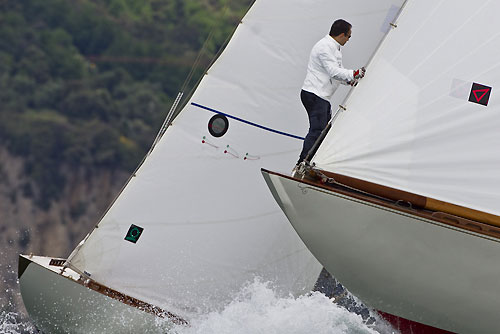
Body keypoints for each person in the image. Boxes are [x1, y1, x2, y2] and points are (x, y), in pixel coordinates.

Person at [297, 19, 365, 166]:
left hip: (320, 96)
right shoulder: (325, 47)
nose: (348, 39)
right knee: (317, 130)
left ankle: (310, 162)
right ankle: (302, 163)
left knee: (324, 131)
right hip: (314, 95)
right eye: (349, 36)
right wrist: (354, 73)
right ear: (342, 35)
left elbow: (337, 72)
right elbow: (333, 72)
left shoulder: (334, 47)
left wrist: (349, 80)